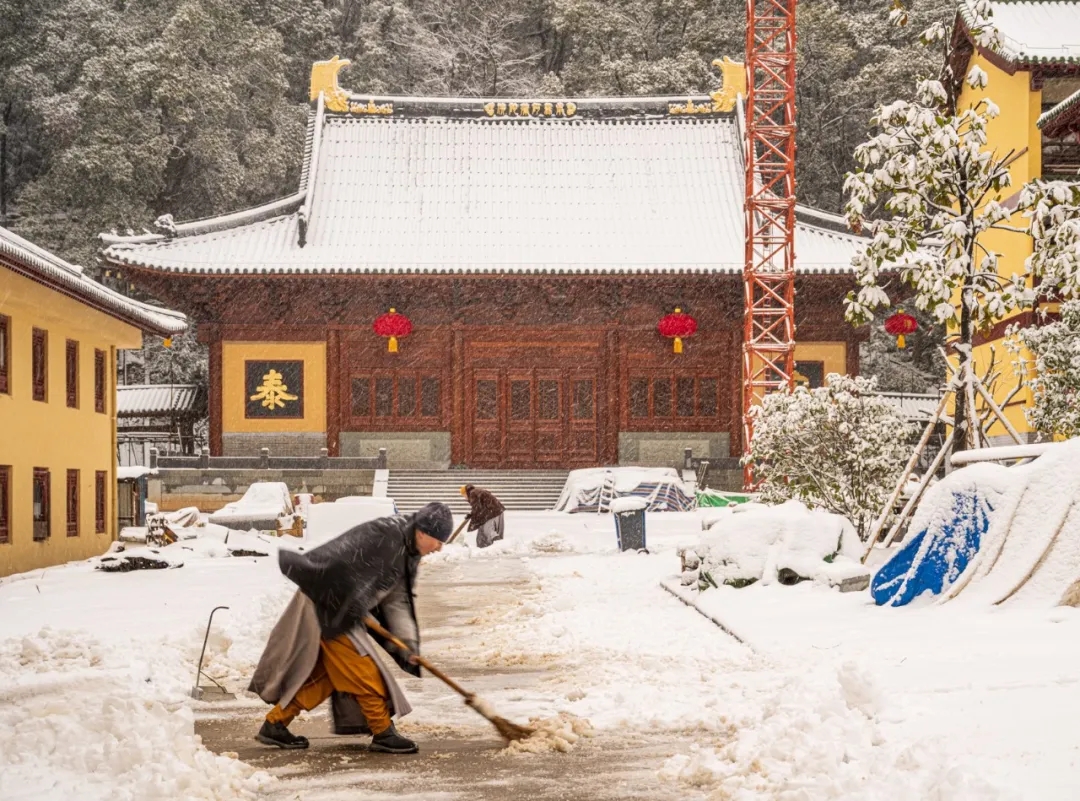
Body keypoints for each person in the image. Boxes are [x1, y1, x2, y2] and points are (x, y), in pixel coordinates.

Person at [248, 501, 453, 754]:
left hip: (345, 610)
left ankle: (276, 723)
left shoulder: (408, 551)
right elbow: (341, 563)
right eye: (439, 540)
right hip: (328, 604)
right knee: (364, 669)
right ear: (423, 532)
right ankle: (382, 732)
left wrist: (407, 642)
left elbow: (396, 599)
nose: (440, 547)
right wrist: (349, 602)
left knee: (329, 676)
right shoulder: (386, 536)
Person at [461, 484, 505, 549]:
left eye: (463, 495)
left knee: (487, 532)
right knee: (492, 532)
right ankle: (498, 547)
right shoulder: (476, 491)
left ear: (465, 492)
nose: (464, 497)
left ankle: (497, 547)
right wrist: (472, 514)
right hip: (498, 511)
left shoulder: (472, 493)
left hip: (492, 513)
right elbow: (479, 506)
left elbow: (477, 508)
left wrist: (473, 522)